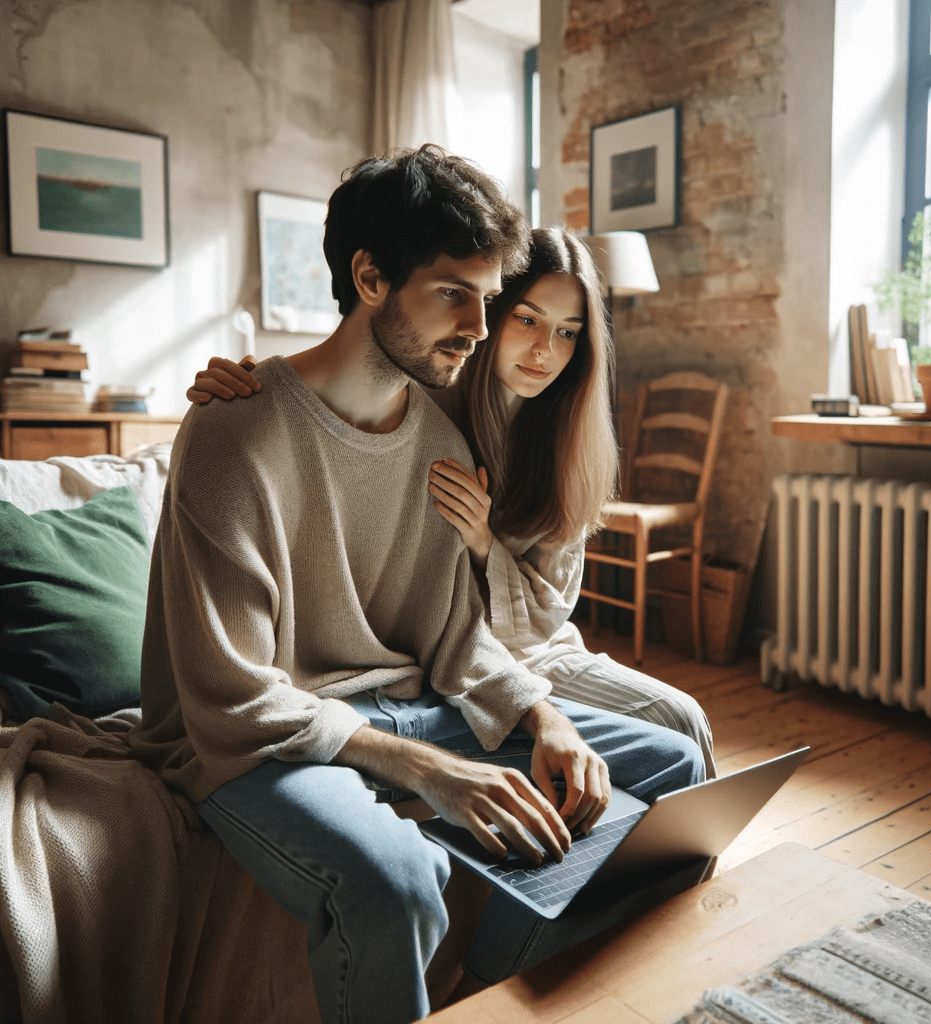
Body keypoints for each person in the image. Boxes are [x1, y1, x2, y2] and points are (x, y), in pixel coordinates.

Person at [131, 146, 704, 1024]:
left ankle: (486, 996)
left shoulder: (442, 445)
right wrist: (430, 771)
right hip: (257, 743)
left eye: (488, 296)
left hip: (406, 701)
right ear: (368, 277)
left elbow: (457, 640)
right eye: (454, 293)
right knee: (396, 879)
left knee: (673, 764)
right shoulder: (234, 434)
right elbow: (231, 697)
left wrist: (543, 716)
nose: (482, 326)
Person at [190, 227, 716, 776]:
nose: (544, 350)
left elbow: (544, 617)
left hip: (529, 646)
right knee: (673, 723)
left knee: (681, 719)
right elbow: (333, 396)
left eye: (567, 332)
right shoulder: (423, 402)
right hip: (441, 654)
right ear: (492, 311)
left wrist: (486, 543)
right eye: (527, 319)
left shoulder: (570, 440)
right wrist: (255, 382)